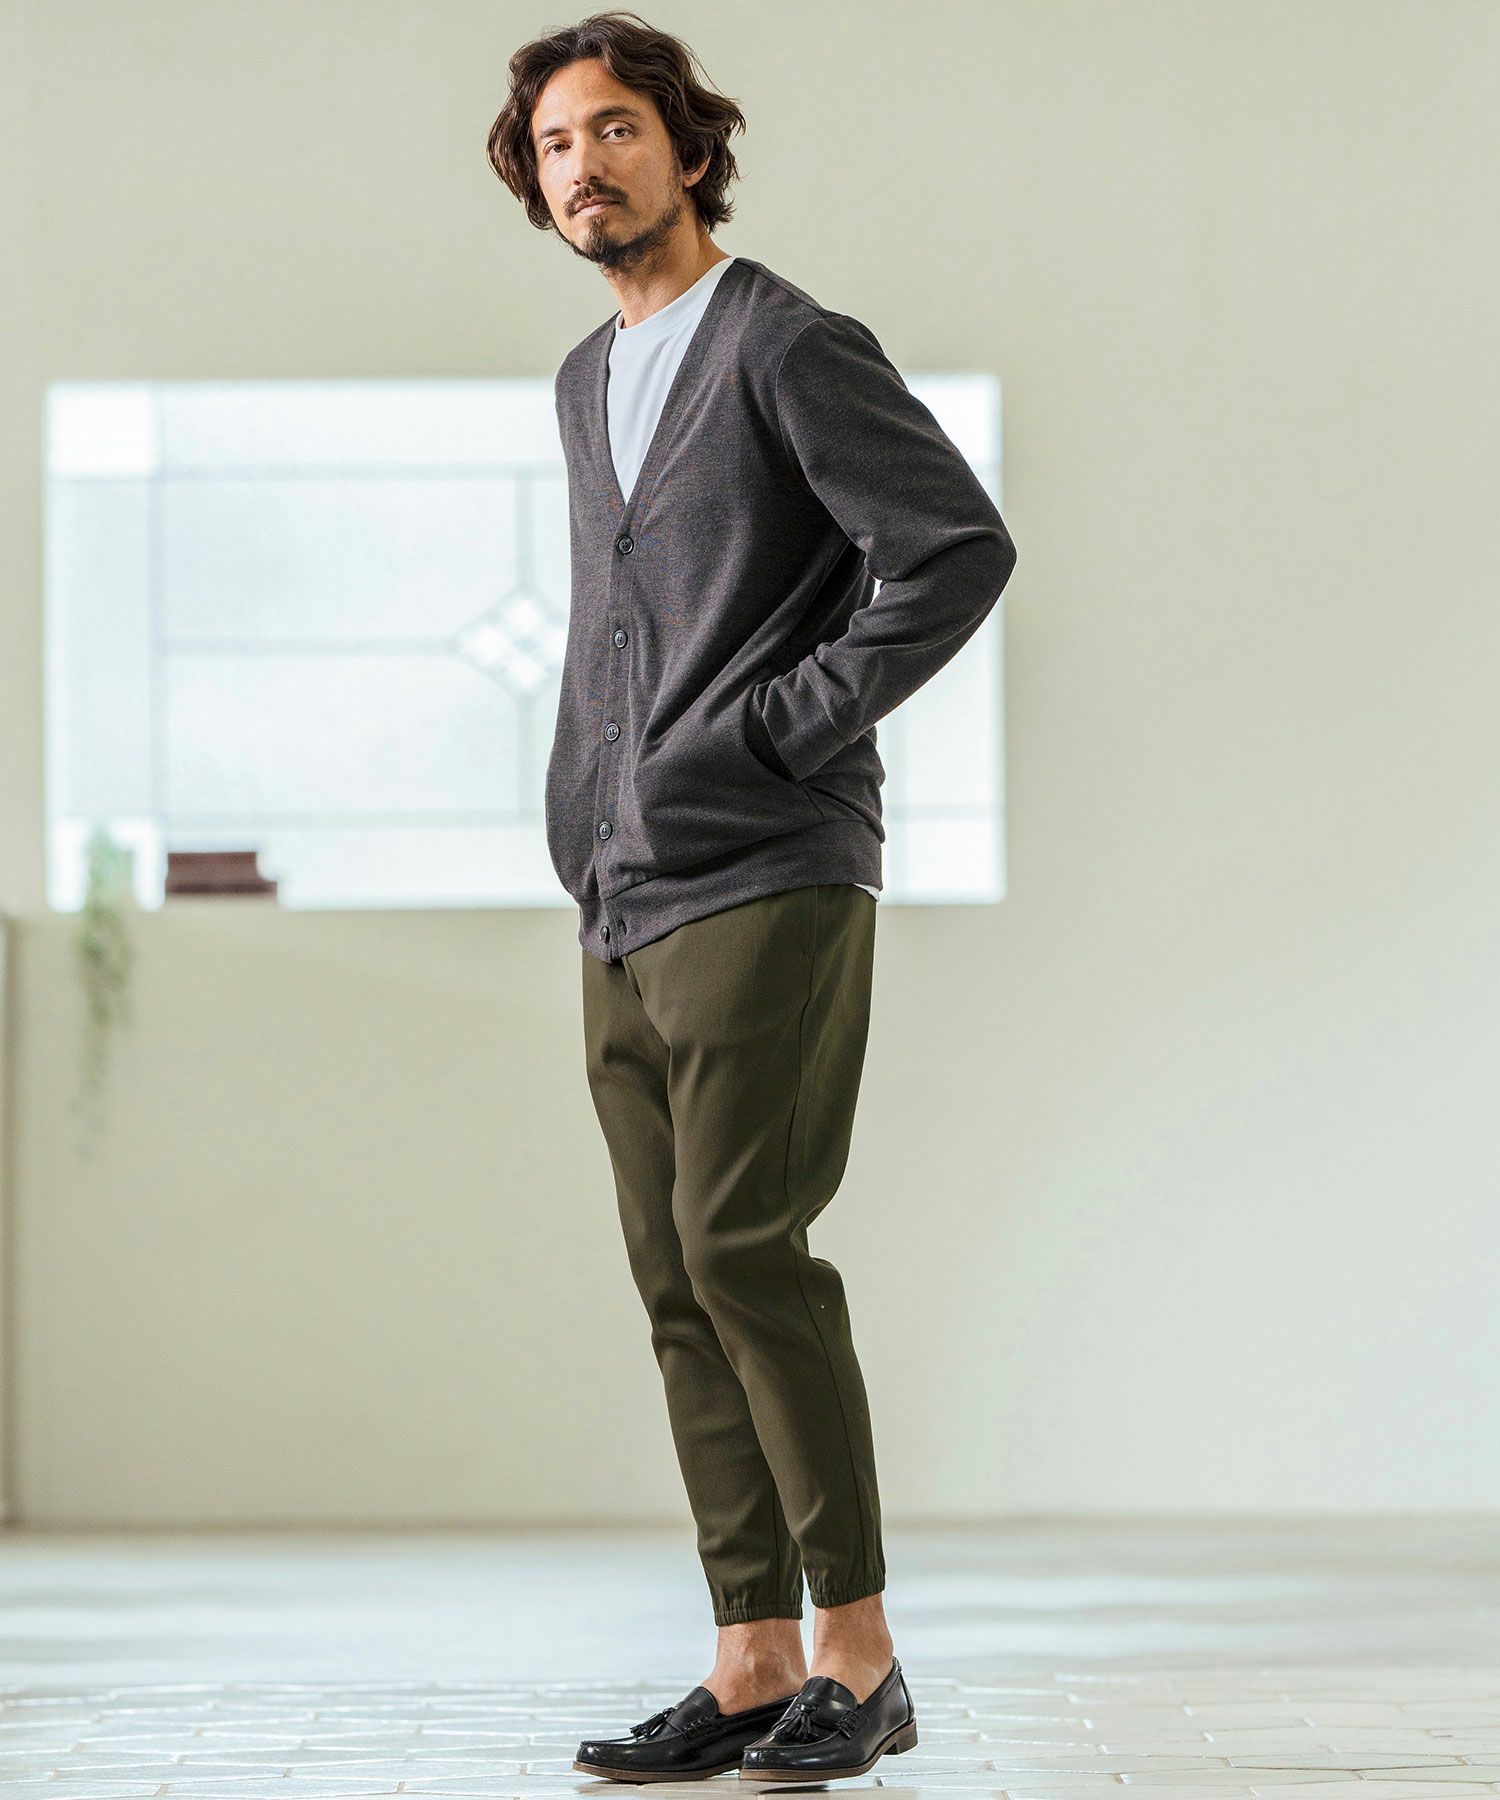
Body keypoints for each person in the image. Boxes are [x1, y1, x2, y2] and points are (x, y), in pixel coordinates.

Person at [486, 10, 1016, 1783]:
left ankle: (861, 1658)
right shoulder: (587, 378)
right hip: (622, 886)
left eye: (617, 129)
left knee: (743, 1248)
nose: (586, 166)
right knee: (673, 1275)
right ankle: (750, 1660)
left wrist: (781, 729)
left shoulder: (785, 342)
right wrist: (589, 815)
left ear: (690, 149)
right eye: (557, 144)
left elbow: (953, 548)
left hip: (769, 868)